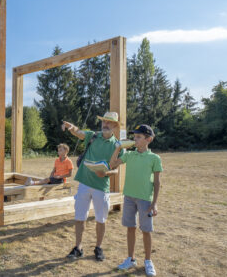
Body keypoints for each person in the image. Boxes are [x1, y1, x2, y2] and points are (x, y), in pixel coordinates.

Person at [63, 112, 122, 261]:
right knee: (79, 217)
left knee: (101, 219)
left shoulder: (118, 146)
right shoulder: (94, 136)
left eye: (109, 122)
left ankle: (99, 247)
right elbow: (79, 133)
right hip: (84, 183)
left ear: (115, 126)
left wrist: (107, 173)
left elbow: (116, 169)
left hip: (101, 187)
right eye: (103, 121)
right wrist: (71, 127)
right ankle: (78, 247)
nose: (105, 124)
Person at [109, 124, 162, 276]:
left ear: (148, 139)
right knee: (130, 227)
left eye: (138, 137)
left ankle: (148, 261)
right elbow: (112, 164)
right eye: (134, 136)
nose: (135, 139)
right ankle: (131, 259)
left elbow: (157, 182)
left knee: (146, 230)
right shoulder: (129, 155)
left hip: (145, 199)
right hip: (129, 197)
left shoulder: (154, 158)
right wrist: (118, 148)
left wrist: (155, 203)